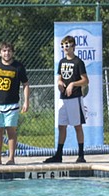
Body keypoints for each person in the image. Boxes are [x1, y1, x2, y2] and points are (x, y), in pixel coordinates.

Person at [44, 36, 89, 164]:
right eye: (63, 44)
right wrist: (59, 83)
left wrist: (72, 84)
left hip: (75, 98)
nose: (65, 47)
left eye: (68, 44)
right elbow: (60, 77)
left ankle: (81, 155)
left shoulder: (78, 62)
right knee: (61, 126)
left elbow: (85, 80)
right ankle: (58, 155)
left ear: (73, 46)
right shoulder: (62, 62)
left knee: (77, 126)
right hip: (63, 99)